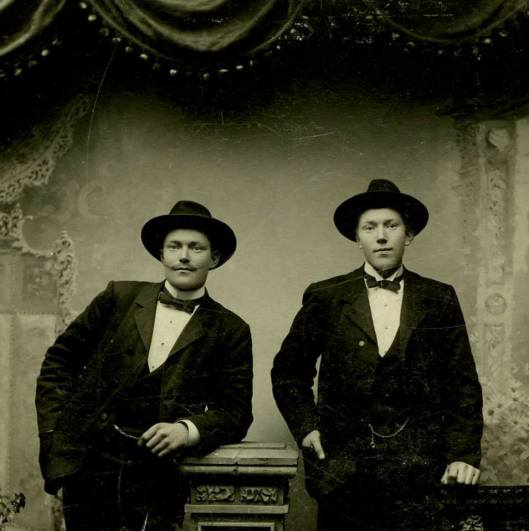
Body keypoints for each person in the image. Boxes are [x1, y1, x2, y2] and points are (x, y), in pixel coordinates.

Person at [271, 179, 483, 530]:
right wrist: (306, 428)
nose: (381, 237)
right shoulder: (327, 296)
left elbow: (462, 382)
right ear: (357, 238)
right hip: (342, 471)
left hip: (419, 472)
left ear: (409, 234)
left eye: (391, 226)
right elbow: (288, 371)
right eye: (370, 228)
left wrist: (463, 453)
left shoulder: (438, 297)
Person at [36, 200, 253, 531]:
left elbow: (236, 412)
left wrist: (187, 430)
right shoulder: (118, 298)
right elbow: (58, 364)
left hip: (160, 476)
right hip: (91, 468)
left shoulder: (231, 329)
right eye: (174, 246)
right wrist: (56, 438)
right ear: (161, 254)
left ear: (214, 258)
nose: (184, 256)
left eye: (196, 248)